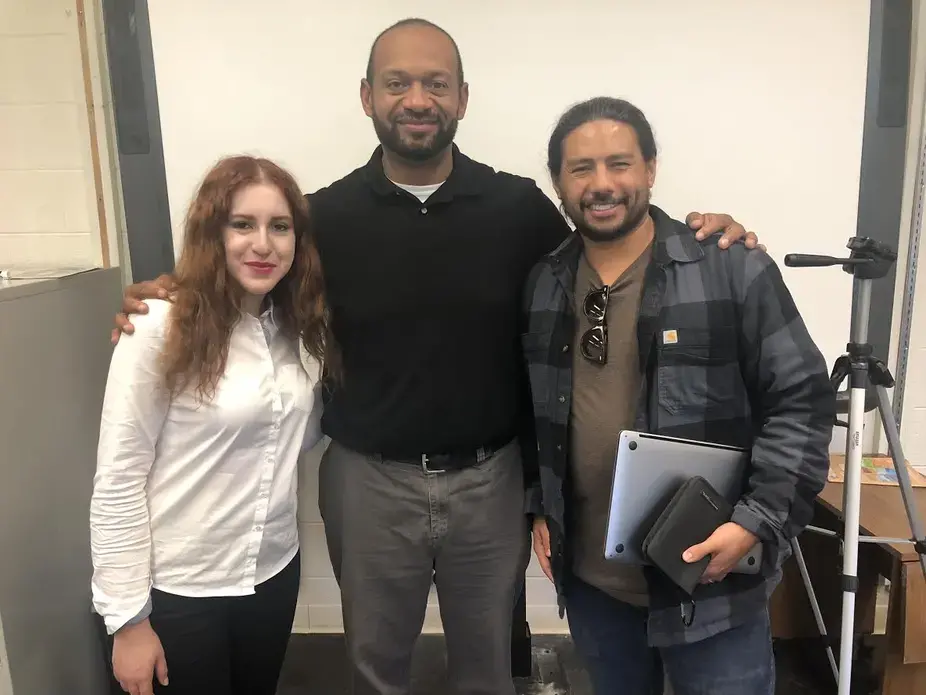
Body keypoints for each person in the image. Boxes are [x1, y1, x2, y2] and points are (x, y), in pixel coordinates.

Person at [110, 18, 764, 695]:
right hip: (367, 483)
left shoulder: (517, 207)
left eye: (435, 84)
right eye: (397, 83)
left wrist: (708, 234)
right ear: (367, 97)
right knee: (373, 666)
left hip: (490, 482)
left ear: (462, 99)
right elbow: (247, 279)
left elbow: (613, 244)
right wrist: (170, 291)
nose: (417, 99)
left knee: (487, 666)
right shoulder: (319, 220)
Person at [522, 96, 836, 695]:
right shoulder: (546, 283)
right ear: (558, 182)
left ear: (651, 169)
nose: (602, 184)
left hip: (710, 582)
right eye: (580, 168)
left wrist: (757, 521)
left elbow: (801, 399)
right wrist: (540, 504)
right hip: (594, 586)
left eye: (620, 163)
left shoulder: (727, 267)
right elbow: (539, 413)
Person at [91, 155, 330, 695]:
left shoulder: (298, 329)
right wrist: (127, 621)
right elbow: (119, 478)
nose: (263, 244)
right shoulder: (157, 326)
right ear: (211, 233)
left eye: (280, 227)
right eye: (242, 224)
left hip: (271, 574)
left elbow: (303, 435)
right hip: (179, 591)